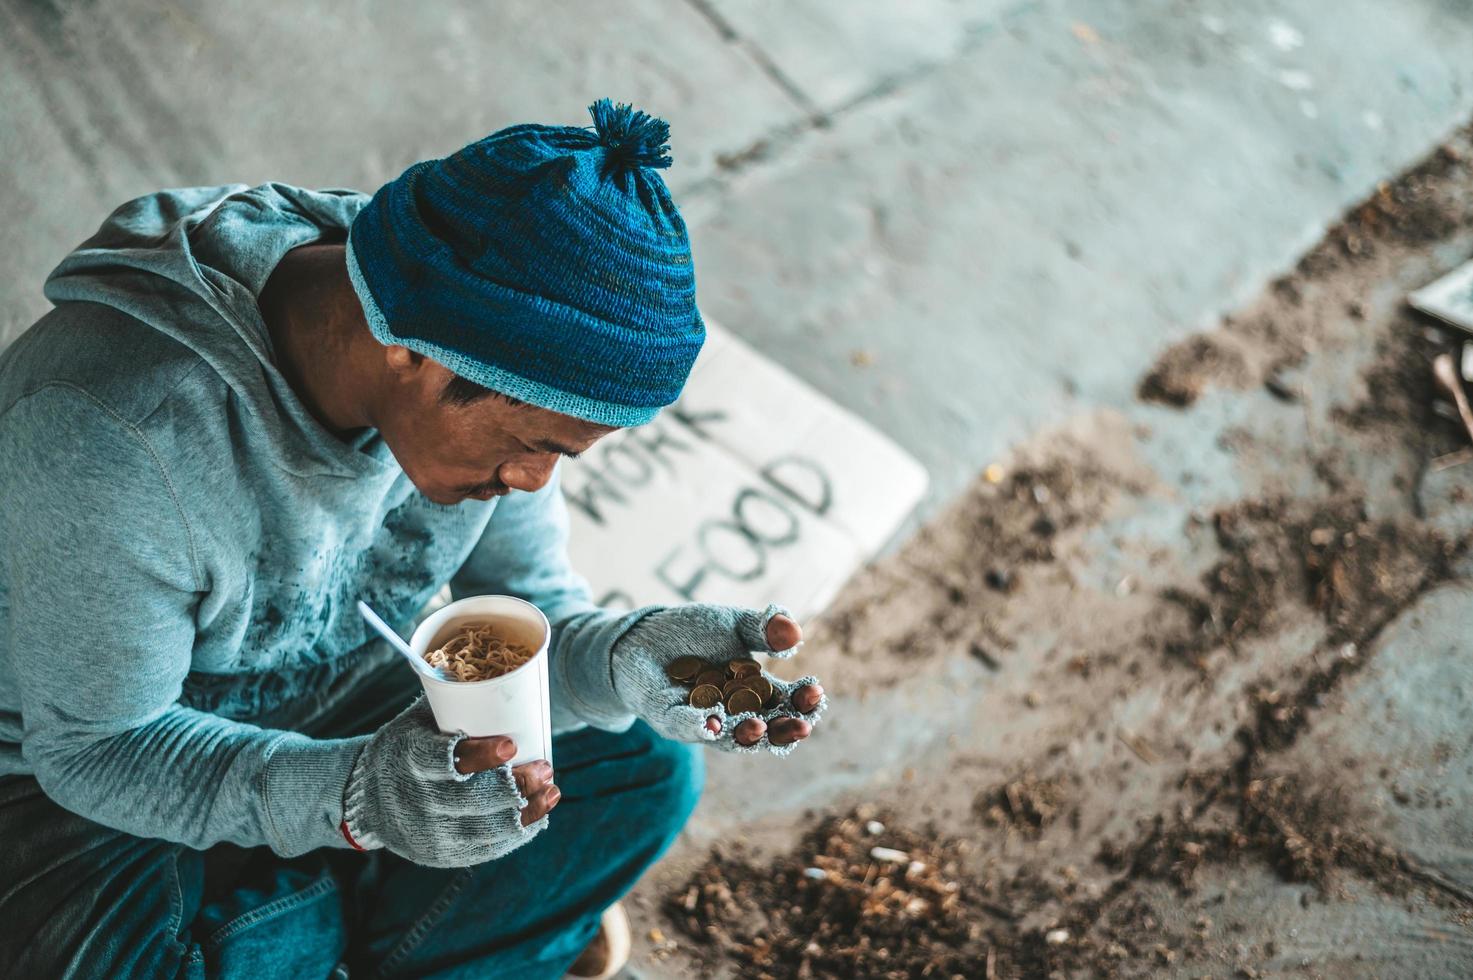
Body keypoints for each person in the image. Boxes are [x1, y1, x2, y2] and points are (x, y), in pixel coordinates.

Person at [0, 100, 826, 979]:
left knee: (638, 775)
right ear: (412, 353)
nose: (533, 483)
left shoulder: (466, 309)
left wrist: (624, 656)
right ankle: (401, 925)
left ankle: (331, 921)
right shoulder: (114, 432)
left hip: (331, 688)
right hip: (86, 773)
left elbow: (533, 612)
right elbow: (98, 749)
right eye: (531, 443)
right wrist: (358, 799)